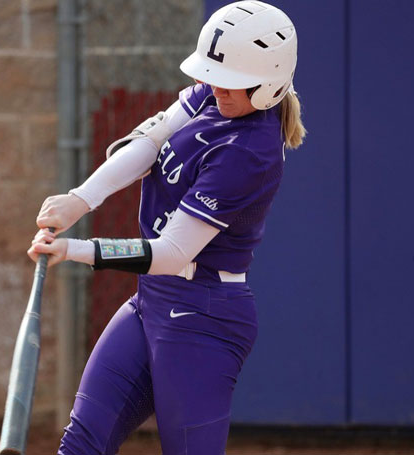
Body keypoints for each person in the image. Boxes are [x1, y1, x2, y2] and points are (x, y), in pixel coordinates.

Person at [29, 2, 306, 453]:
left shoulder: (250, 151)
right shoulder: (213, 95)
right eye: (217, 76)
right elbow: (150, 143)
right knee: (82, 443)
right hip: (153, 299)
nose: (217, 87)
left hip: (205, 319)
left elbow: (172, 252)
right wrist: (79, 200)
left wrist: (75, 249)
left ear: (268, 84)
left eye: (233, 82)